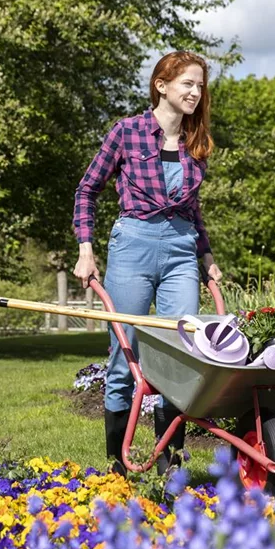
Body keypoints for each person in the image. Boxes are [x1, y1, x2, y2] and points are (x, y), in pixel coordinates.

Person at [72, 51, 222, 476]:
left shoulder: (197, 144)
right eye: (186, 84)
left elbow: (192, 210)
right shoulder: (127, 133)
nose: (195, 92)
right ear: (162, 86)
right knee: (125, 356)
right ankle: (117, 469)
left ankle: (169, 470)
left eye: (199, 85)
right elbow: (87, 191)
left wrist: (206, 255)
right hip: (133, 246)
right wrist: (86, 249)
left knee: (179, 356)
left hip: (180, 251)